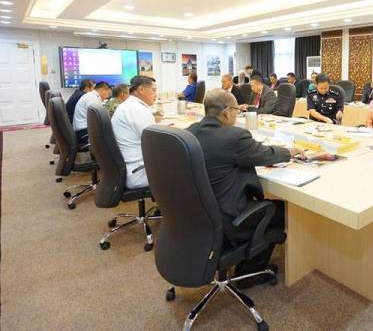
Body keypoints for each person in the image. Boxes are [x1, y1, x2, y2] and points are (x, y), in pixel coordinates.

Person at [187, 89, 306, 287]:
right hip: (228, 219)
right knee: (277, 209)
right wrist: (290, 152)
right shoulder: (234, 136)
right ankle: (251, 272)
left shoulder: (190, 132)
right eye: (236, 110)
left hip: (197, 215)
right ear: (226, 112)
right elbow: (265, 154)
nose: (237, 114)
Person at [111, 76, 160, 189]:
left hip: (130, 167)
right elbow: (156, 144)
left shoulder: (129, 105)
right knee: (186, 163)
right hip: (138, 172)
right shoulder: (137, 109)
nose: (156, 94)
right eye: (153, 90)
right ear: (141, 90)